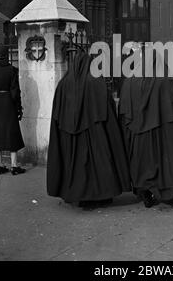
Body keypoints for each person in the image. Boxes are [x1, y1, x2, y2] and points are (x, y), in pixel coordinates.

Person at [46, 50, 131, 208]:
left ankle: (77, 194)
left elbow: (57, 112)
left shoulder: (63, 84)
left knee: (75, 165)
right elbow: (108, 107)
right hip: (95, 133)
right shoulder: (96, 82)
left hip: (70, 136)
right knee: (98, 164)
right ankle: (100, 195)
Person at [119, 45, 173, 207]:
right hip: (161, 132)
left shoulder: (129, 81)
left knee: (141, 162)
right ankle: (164, 193)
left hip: (138, 134)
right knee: (163, 162)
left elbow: (123, 109)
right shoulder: (163, 81)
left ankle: (145, 192)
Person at [0, 43, 25, 175]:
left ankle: (0, 165)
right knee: (12, 132)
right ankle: (14, 165)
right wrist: (18, 107)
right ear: (6, 55)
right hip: (8, 102)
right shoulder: (12, 70)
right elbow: (15, 92)